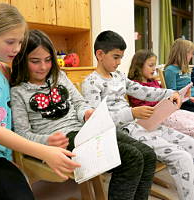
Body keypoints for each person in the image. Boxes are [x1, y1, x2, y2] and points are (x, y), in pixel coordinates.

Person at [10, 29, 157, 200]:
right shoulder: (18, 92)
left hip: (85, 130)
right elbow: (21, 134)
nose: (43, 67)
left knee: (148, 154)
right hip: (61, 141)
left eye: (48, 60)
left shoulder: (60, 76)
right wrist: (46, 141)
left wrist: (86, 113)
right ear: (22, 60)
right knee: (131, 158)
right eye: (35, 61)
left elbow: (80, 103)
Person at [0, 3, 81, 200]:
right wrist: (45, 151)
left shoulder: (5, 71)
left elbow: (10, 122)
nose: (17, 49)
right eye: (10, 42)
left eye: (20, 42)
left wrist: (12, 157)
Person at [82, 30, 194, 200]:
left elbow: (143, 91)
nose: (120, 62)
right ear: (100, 54)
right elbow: (98, 121)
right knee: (182, 157)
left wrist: (173, 92)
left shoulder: (118, 76)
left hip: (141, 124)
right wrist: (132, 113)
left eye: (121, 57)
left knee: (190, 143)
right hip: (125, 131)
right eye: (116, 57)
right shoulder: (91, 83)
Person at [128, 49, 194, 137]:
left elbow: (162, 98)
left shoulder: (153, 82)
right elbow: (142, 106)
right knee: (190, 126)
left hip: (169, 112)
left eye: (154, 65)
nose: (154, 68)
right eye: (151, 65)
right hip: (157, 118)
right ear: (139, 66)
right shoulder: (134, 87)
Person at [164, 38, 194, 112]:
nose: (191, 56)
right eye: (190, 53)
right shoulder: (170, 70)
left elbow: (190, 87)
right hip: (184, 102)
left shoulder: (185, 68)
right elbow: (173, 92)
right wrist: (189, 98)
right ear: (183, 54)